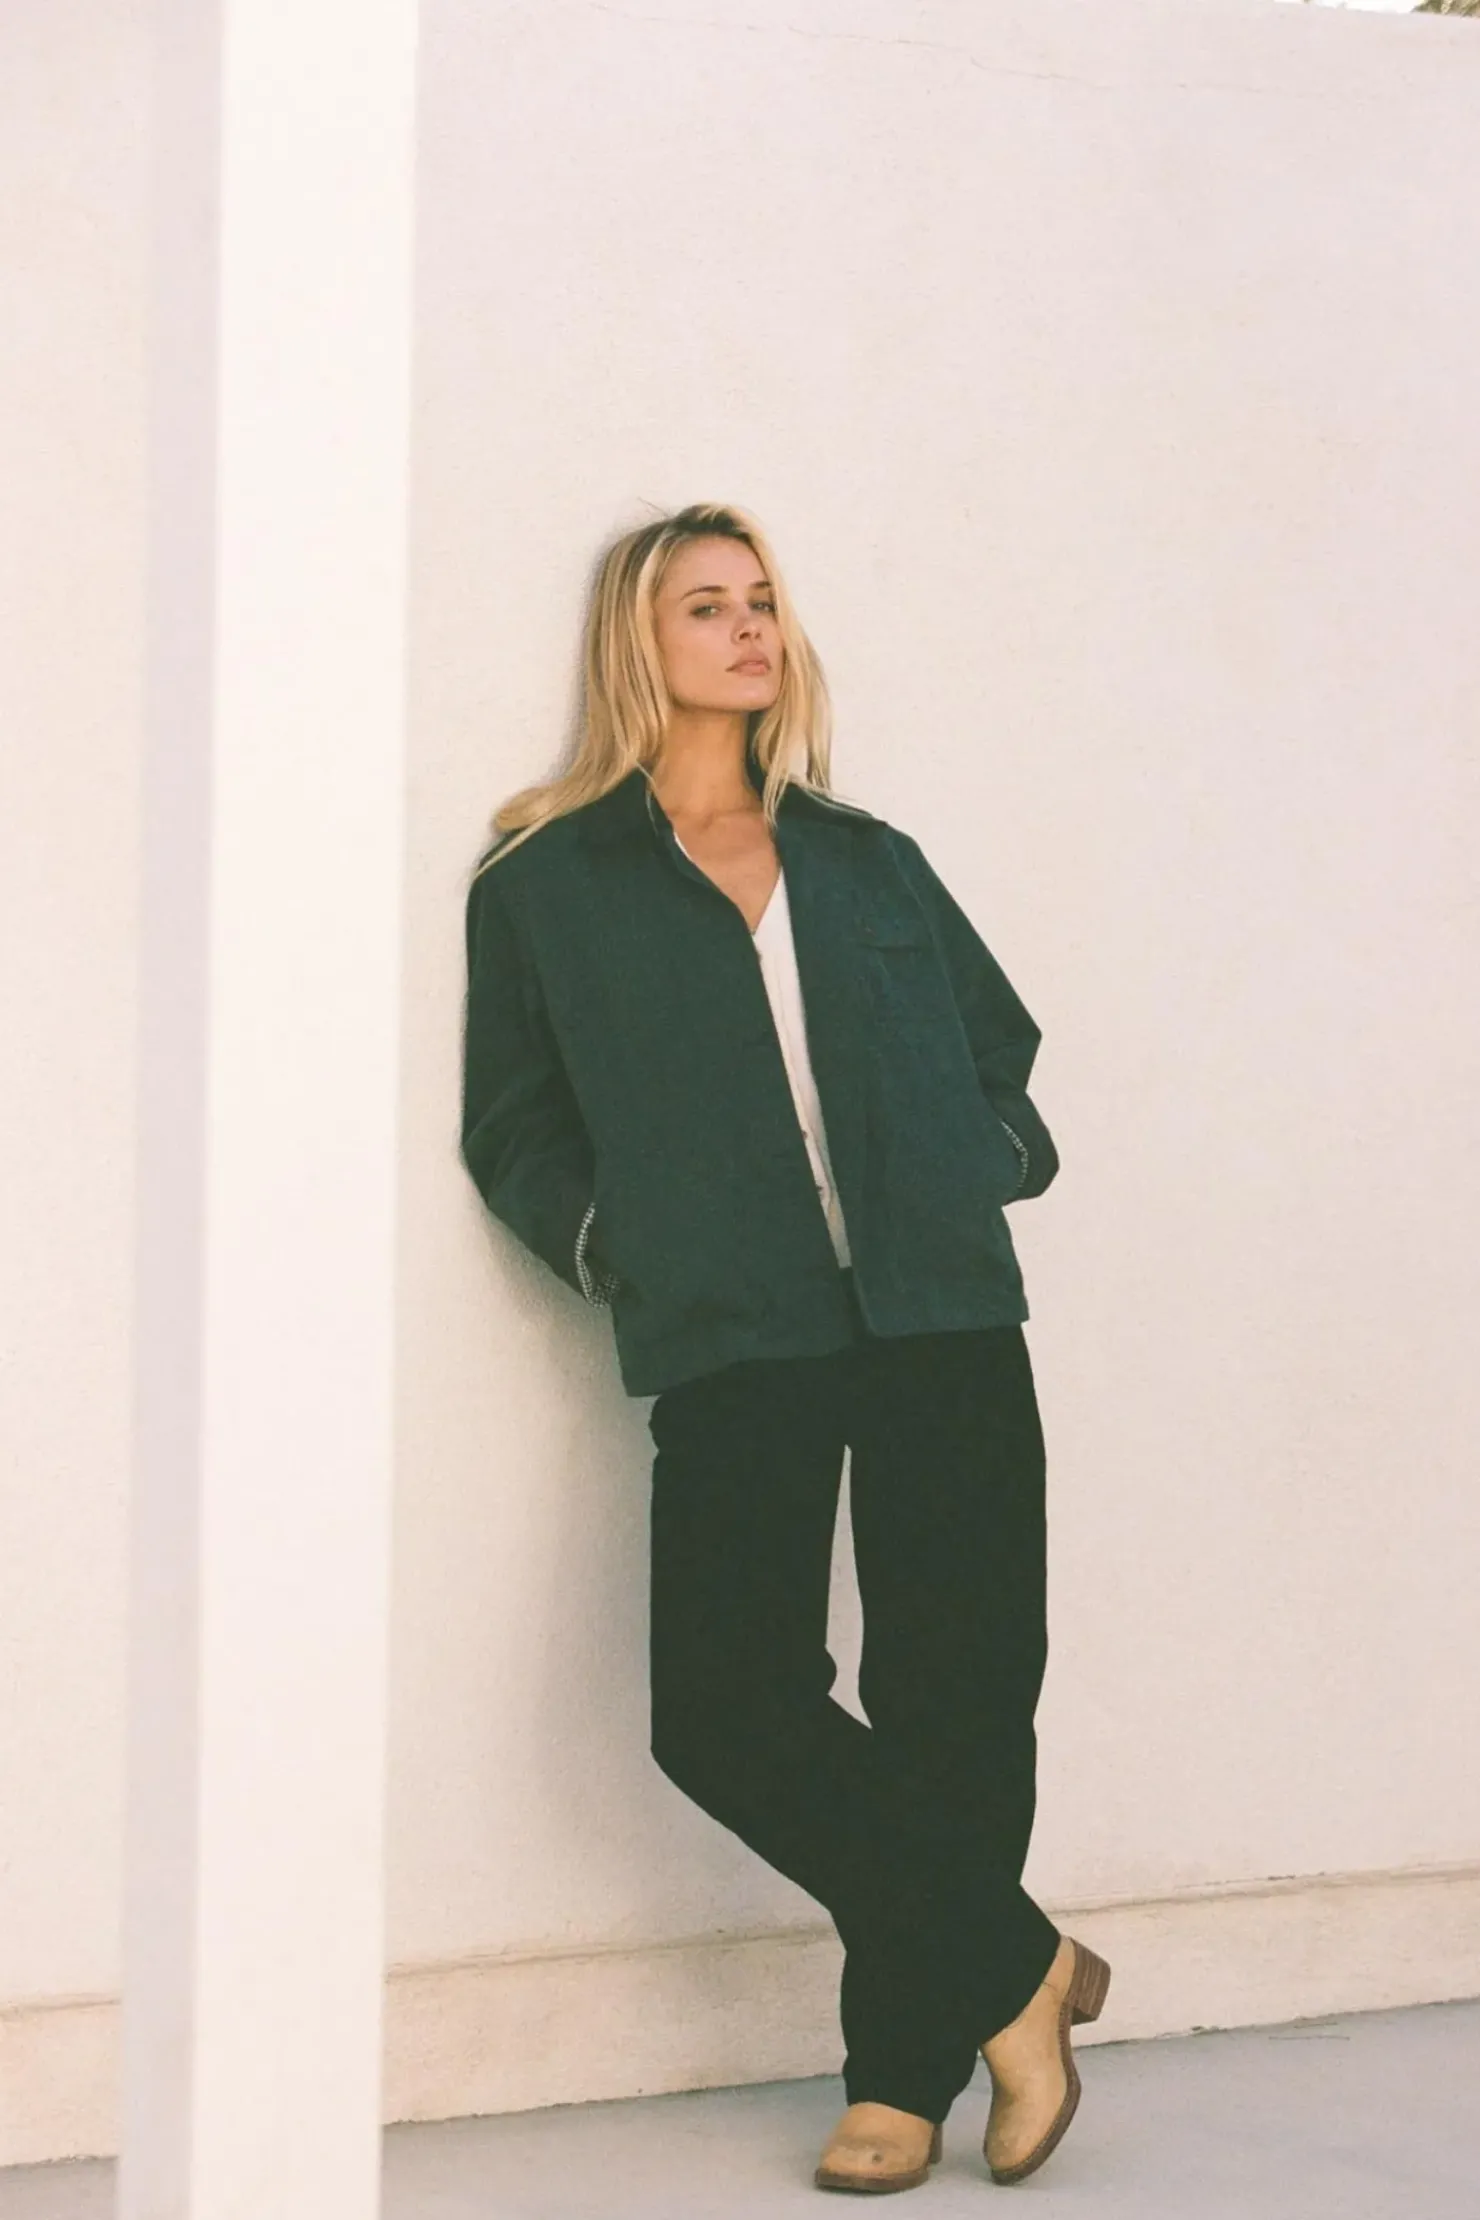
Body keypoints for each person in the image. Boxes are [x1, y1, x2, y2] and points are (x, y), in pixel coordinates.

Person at [459, 501, 1111, 2192]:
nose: (750, 628)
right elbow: (514, 1124)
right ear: (638, 640)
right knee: (725, 1706)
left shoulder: (869, 859)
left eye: (761, 601)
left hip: (939, 1311)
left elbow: (999, 1054)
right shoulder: (547, 883)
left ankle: (901, 2075)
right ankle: (1020, 1965)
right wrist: (621, 1247)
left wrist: (980, 1167)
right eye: (706, 605)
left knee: (959, 1693)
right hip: (735, 1322)